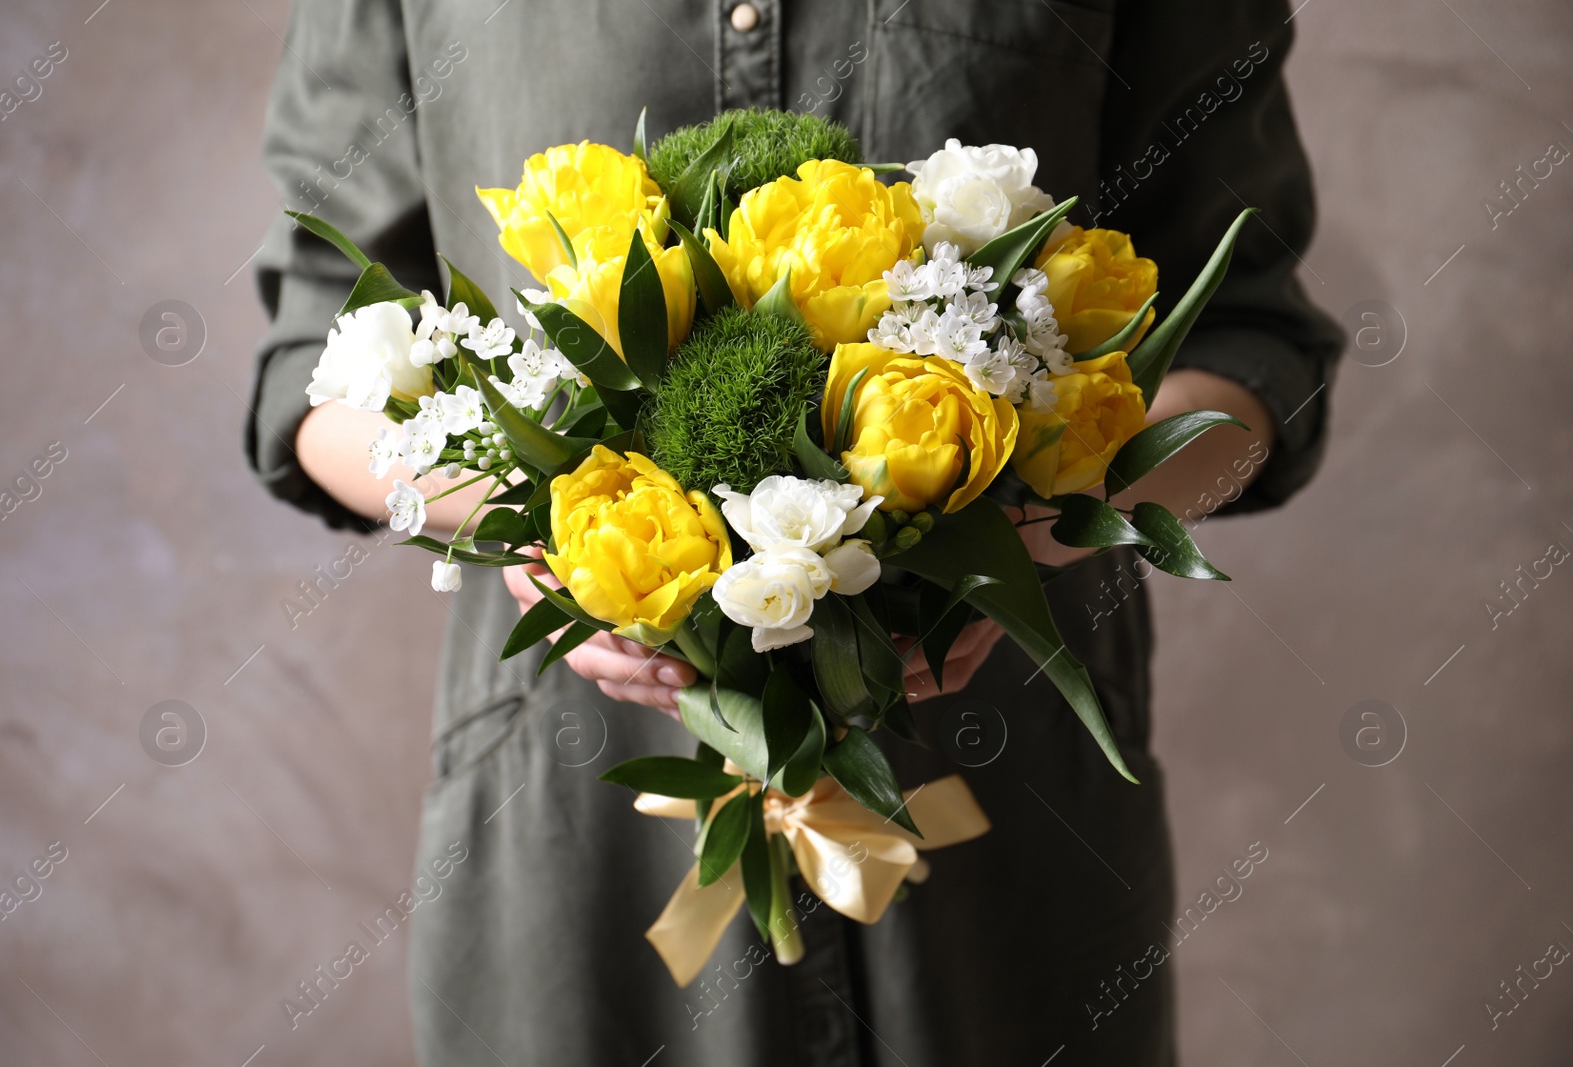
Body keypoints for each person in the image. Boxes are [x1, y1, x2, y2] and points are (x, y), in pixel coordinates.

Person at [248, 1, 1341, 1062]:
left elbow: (1258, 367)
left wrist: (1018, 518)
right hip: (576, 841)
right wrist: (557, 529)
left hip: (1003, 837)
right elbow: (313, 378)